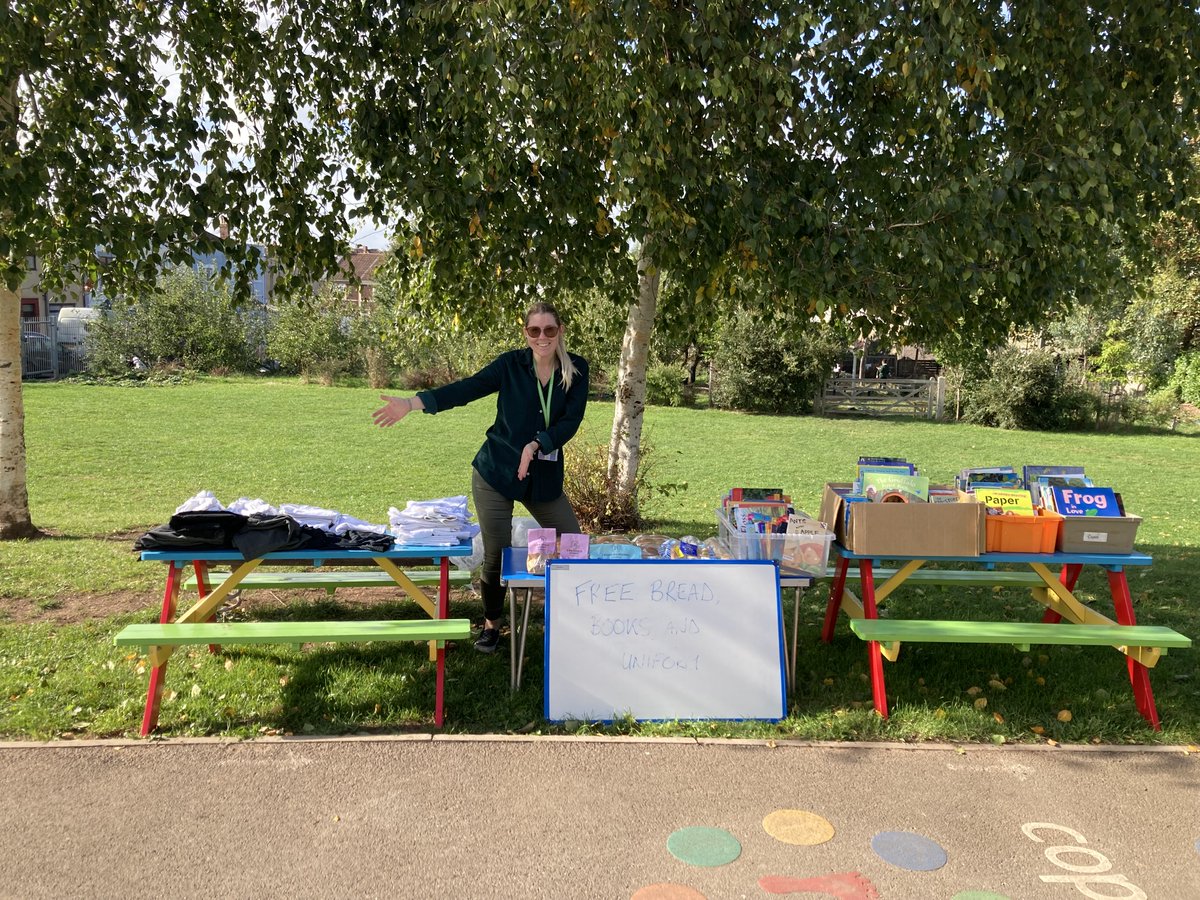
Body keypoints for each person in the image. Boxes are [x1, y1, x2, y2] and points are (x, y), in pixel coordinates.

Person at [372, 301, 589, 653]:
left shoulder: (576, 369)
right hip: (496, 472)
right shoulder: (511, 365)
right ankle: (492, 624)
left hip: (542, 476)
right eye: (534, 330)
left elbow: (571, 420)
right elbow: (467, 389)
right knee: (496, 553)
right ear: (526, 333)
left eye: (550, 329)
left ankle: (576, 621)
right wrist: (412, 403)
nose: (542, 337)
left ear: (560, 331)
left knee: (574, 543)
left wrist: (537, 444)